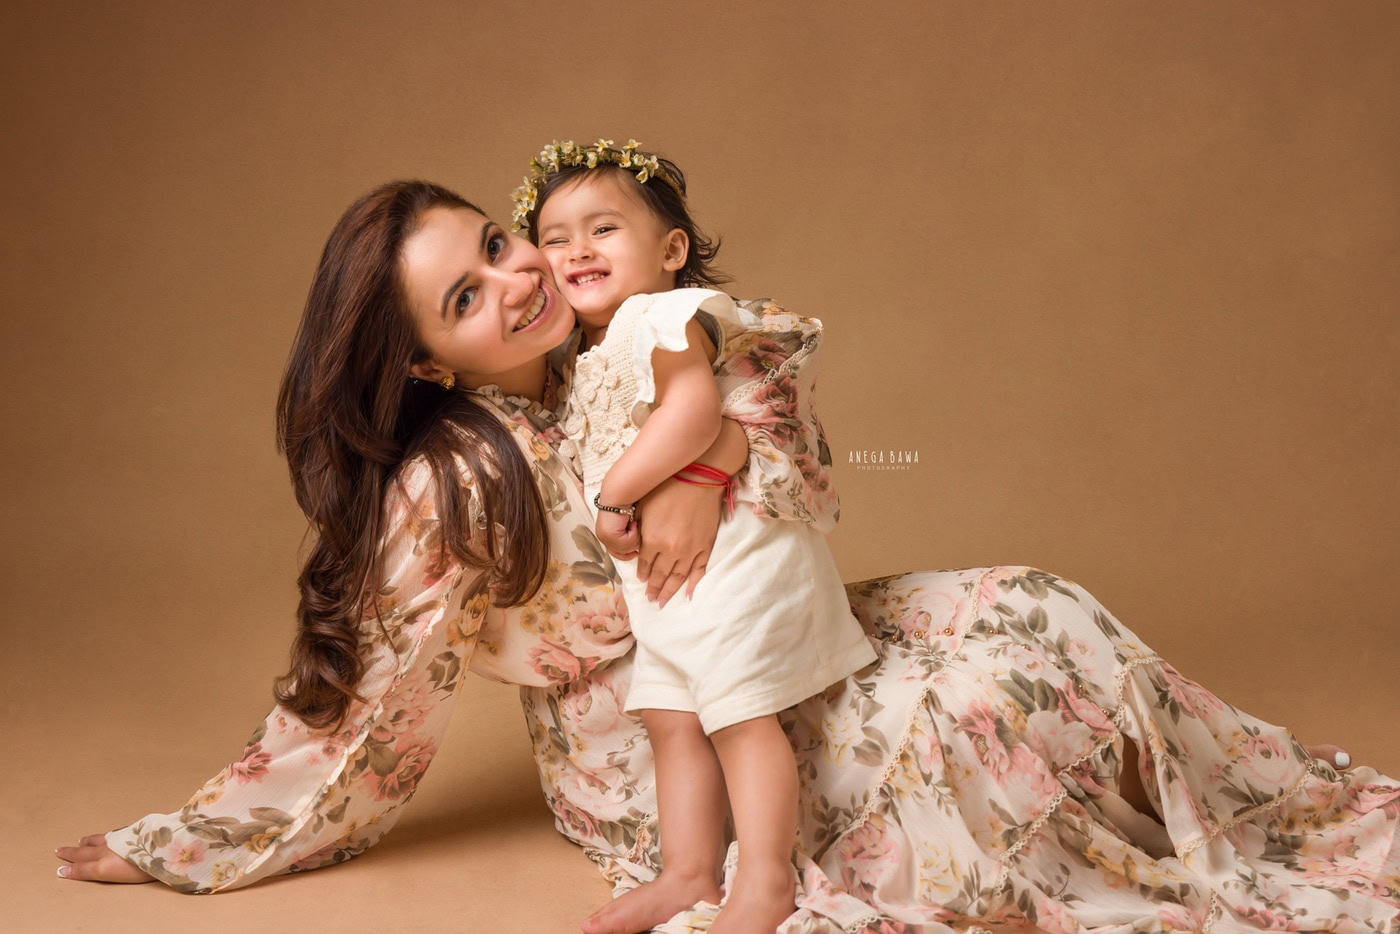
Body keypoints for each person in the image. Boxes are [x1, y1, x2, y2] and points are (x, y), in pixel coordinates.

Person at [55, 179, 1397, 934]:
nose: (519, 279)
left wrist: (705, 468)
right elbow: (368, 701)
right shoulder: (448, 480)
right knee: (975, 709)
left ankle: (1248, 810)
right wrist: (191, 840)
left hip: (777, 621)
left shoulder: (614, 329)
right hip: (667, 732)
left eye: (498, 244)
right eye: (467, 296)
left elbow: (792, 427)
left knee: (1033, 604)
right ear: (426, 362)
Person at [517, 138, 878, 934]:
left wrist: (616, 494)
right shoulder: (591, 351)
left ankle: (766, 880)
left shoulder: (662, 316)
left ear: (671, 251)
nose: (577, 250)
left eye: (604, 229)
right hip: (671, 576)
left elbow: (693, 413)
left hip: (735, 555)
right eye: (555, 238)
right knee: (670, 715)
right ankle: (687, 872)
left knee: (737, 715)